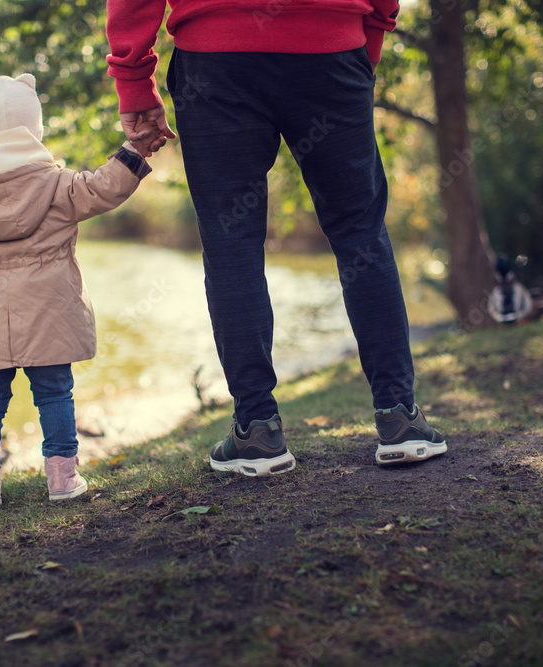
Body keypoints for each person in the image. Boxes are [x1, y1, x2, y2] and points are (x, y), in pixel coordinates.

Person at [106, 0, 447, 476]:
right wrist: (366, 39)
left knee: (231, 243)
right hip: (331, 48)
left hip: (217, 58)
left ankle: (258, 429)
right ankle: (400, 419)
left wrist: (134, 82)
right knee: (359, 231)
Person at [0, 73, 156, 507]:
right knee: (54, 392)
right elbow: (103, 188)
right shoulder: (55, 183)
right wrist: (134, 151)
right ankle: (62, 481)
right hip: (48, 310)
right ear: (33, 125)